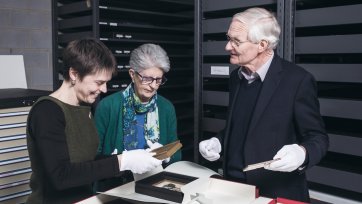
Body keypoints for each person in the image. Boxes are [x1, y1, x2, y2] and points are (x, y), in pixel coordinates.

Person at [198, 7, 328, 202]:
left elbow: (318, 138)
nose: (227, 46)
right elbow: (243, 127)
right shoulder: (236, 77)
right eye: (229, 38)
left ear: (262, 45)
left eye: (236, 41)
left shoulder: (298, 80)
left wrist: (302, 153)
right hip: (232, 189)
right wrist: (219, 141)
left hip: (275, 193)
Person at [26, 38, 162, 204]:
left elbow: (85, 163)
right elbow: (61, 176)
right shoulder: (47, 112)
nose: (104, 89)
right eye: (99, 82)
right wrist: (121, 162)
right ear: (74, 74)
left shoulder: (83, 108)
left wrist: (135, 159)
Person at [94, 43, 181, 189]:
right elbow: (93, 157)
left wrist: (165, 155)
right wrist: (115, 161)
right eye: (147, 79)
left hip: (154, 185)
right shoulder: (108, 106)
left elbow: (176, 151)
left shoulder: (166, 108)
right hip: (115, 188)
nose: (153, 86)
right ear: (132, 75)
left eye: (158, 80)